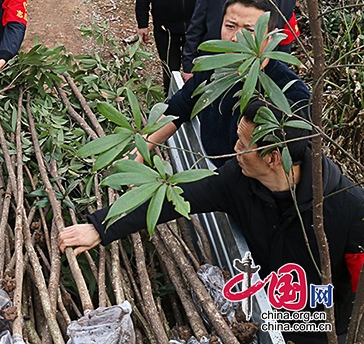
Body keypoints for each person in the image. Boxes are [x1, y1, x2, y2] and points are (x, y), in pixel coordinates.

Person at [59, 100, 364, 344]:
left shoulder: (349, 206)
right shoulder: (237, 181)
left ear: (272, 158)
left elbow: (355, 290)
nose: (235, 149)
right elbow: (172, 199)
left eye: (244, 145)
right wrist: (100, 227)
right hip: (261, 308)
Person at [140, 0, 310, 161]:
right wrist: (137, 154)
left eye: (250, 30)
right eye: (230, 26)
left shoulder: (290, 93)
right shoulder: (213, 67)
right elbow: (177, 110)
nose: (236, 38)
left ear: (270, 36)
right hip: (209, 166)